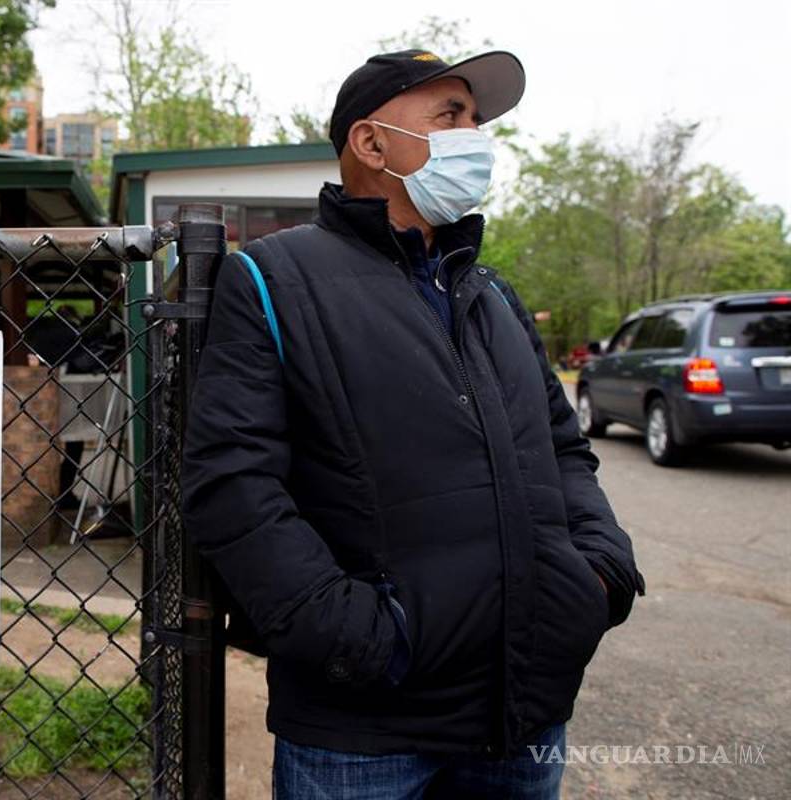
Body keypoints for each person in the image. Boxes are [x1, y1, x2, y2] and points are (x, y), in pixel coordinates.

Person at [179, 50, 645, 799]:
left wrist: (596, 576)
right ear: (371, 144)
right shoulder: (271, 279)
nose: (476, 135)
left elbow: (564, 452)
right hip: (364, 733)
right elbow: (233, 485)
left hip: (521, 714)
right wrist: (361, 639)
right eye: (451, 116)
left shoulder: (492, 294)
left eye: (477, 118)